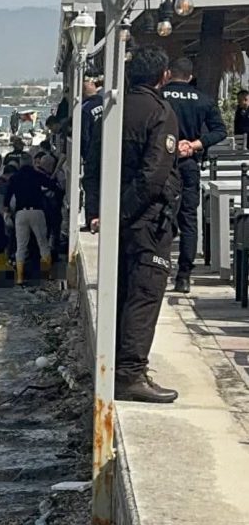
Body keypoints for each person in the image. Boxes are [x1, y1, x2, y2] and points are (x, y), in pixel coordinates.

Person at [90, 45, 181, 404]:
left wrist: (102, 212)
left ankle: (116, 365)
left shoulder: (110, 111)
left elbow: (93, 167)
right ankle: (130, 373)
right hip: (146, 220)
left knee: (121, 292)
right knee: (144, 294)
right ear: (163, 77)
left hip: (117, 219)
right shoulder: (161, 113)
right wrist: (125, 213)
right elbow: (154, 175)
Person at [162, 57, 228, 293]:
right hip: (189, 162)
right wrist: (196, 144)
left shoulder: (159, 98)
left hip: (162, 163)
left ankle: (159, 268)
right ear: (190, 77)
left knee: (161, 215)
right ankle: (184, 276)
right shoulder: (203, 100)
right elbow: (220, 131)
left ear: (168, 73)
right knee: (188, 219)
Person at [8, 155, 57, 284]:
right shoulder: (36, 175)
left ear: (20, 163)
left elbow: (8, 196)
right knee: (43, 243)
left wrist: (7, 211)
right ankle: (48, 273)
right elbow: (52, 185)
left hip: (21, 213)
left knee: (21, 246)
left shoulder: (14, 177)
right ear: (31, 163)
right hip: (37, 212)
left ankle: (19, 277)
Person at [80, 73, 104, 228]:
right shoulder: (107, 104)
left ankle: (92, 219)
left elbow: (83, 136)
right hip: (110, 153)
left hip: (93, 155)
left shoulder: (84, 109)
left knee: (91, 187)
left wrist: (84, 155)